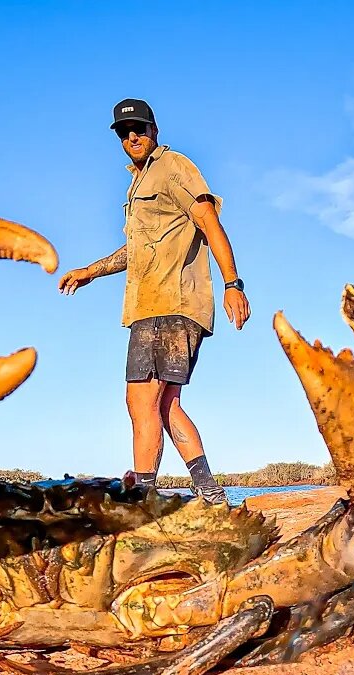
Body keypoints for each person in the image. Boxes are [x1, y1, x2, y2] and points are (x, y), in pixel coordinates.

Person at [57, 98, 250, 503]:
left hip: (172, 301)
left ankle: (142, 497)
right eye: (125, 133)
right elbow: (135, 250)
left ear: (154, 130)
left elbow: (208, 221)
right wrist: (89, 272)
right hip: (151, 304)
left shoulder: (172, 166)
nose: (133, 137)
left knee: (140, 397)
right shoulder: (138, 182)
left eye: (140, 129)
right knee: (165, 404)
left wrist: (234, 284)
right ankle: (210, 490)